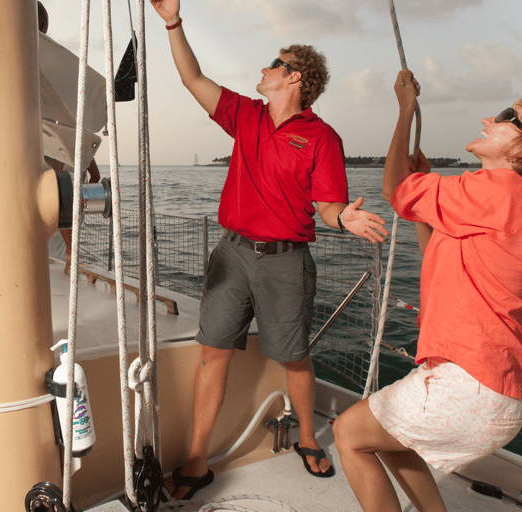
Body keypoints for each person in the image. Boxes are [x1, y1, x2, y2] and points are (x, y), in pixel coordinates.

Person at [150, 0, 389, 500]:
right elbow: (192, 78)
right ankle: (197, 457)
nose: (264, 68)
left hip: (286, 261)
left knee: (295, 357)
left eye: (274, 64)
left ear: (294, 78)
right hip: (231, 254)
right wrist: (173, 22)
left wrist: (343, 217)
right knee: (213, 353)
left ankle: (306, 438)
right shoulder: (245, 115)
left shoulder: (322, 138)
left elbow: (328, 205)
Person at [333, 69, 522, 512]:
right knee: (397, 445)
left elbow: (395, 190)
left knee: (349, 434)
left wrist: (405, 110)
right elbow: (435, 246)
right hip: (497, 392)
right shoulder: (521, 204)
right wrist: (424, 196)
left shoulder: (500, 189)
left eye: (509, 117)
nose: (491, 119)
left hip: (467, 385)